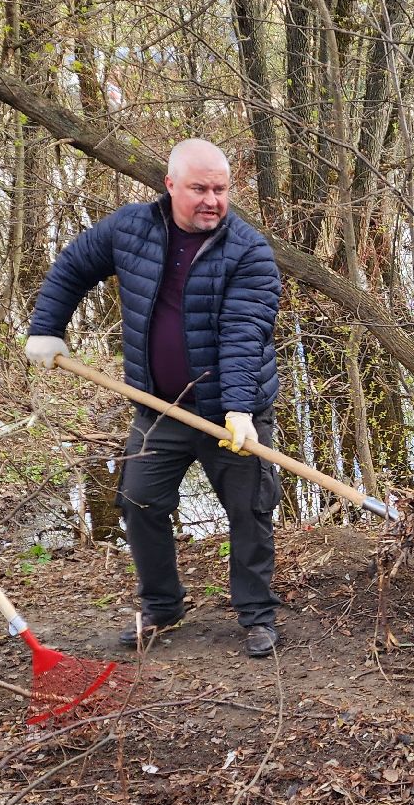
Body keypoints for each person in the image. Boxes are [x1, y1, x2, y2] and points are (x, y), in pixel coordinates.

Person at [24, 139, 285, 658]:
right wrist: (47, 328)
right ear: (170, 185)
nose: (212, 200)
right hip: (159, 408)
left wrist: (238, 408)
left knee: (249, 509)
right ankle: (162, 605)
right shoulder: (130, 229)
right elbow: (74, 266)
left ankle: (257, 614)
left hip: (232, 413)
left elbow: (243, 332)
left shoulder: (249, 251)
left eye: (221, 189)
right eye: (199, 188)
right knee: (139, 500)